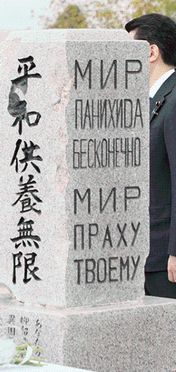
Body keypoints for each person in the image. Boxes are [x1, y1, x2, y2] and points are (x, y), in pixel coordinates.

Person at [125, 13, 176, 298]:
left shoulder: (174, 99)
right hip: (146, 250)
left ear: (151, 52)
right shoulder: (152, 98)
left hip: (165, 256)